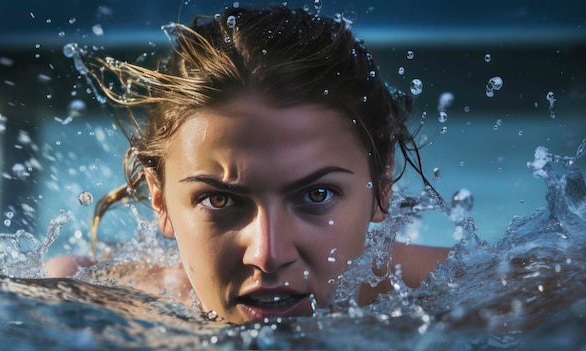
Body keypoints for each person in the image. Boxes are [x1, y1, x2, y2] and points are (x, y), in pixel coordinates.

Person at [46, 6, 449, 324]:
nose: (268, 255)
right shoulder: (81, 304)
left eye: (316, 194)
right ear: (159, 199)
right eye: (219, 200)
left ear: (380, 188)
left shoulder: (481, 299)